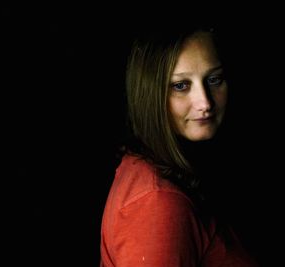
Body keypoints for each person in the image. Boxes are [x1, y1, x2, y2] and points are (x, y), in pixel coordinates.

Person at [99, 23, 259, 267]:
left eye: (214, 79)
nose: (205, 102)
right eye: (181, 86)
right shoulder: (157, 203)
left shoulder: (157, 169)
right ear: (150, 94)